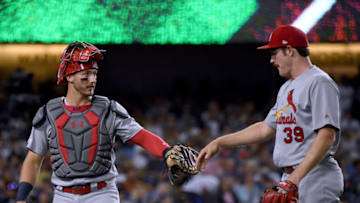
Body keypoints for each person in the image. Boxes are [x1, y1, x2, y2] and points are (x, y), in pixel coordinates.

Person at [196, 25, 344, 202]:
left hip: (315, 176)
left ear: (289, 50)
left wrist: (294, 179)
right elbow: (265, 128)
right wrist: (220, 142)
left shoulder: (318, 82)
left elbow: (327, 135)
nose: (272, 60)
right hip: (292, 177)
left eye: (275, 53)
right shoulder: (287, 88)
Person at [15, 41, 172, 203]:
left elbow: (142, 136)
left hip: (102, 193)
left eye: (94, 73)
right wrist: (21, 198)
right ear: (69, 76)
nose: (92, 80)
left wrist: (166, 151)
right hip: (63, 195)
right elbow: (33, 160)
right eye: (86, 74)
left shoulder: (109, 109)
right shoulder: (49, 113)